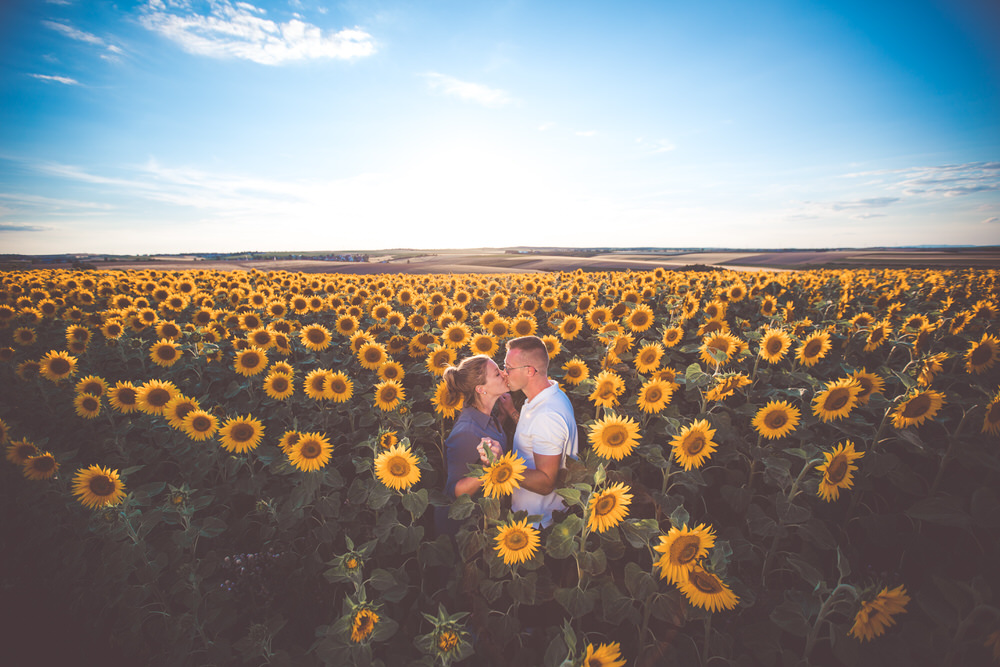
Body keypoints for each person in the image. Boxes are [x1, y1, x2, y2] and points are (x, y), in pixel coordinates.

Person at [481, 335, 578, 527]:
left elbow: (545, 482)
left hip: (538, 521)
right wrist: (512, 413)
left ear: (530, 371)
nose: (504, 373)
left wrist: (503, 466)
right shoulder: (549, 395)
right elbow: (535, 435)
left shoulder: (546, 416)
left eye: (508, 367)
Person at [435, 354, 518, 538]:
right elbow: (455, 491)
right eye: (497, 374)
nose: (504, 374)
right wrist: (488, 467)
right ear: (481, 389)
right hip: (465, 530)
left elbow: (488, 440)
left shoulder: (486, 415)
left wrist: (504, 416)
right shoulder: (466, 432)